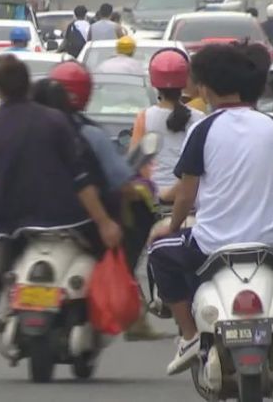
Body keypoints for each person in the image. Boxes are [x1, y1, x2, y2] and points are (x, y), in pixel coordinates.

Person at [147, 44, 273, 376]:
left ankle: (190, 336)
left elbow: (185, 194)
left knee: (159, 255)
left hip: (210, 244)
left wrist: (174, 227)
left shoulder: (203, 129)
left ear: (204, 88)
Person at [0, 55, 123, 366]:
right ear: (28, 85)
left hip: (8, 222)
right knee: (106, 255)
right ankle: (122, 321)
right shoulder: (55, 121)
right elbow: (80, 178)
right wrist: (104, 222)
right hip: (65, 216)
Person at [40, 63, 168, 341]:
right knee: (136, 215)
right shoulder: (89, 134)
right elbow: (118, 180)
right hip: (82, 220)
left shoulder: (28, 130)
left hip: (29, 216)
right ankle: (131, 306)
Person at [131, 49, 205, 203]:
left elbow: (136, 163)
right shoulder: (200, 118)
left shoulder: (144, 117)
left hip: (156, 198)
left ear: (153, 81)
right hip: (192, 198)